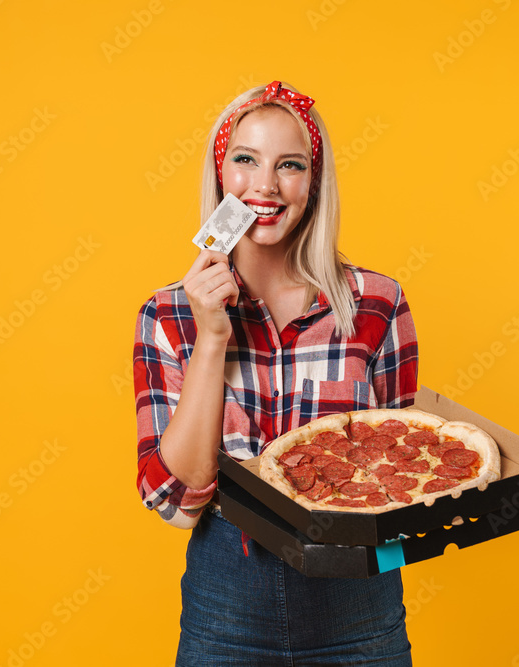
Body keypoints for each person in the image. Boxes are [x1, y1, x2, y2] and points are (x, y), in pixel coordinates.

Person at [134, 81, 419, 665]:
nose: (264, 185)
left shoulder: (377, 304)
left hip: (361, 611)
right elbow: (176, 503)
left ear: (313, 185)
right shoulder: (166, 315)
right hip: (226, 613)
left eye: (289, 165)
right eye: (245, 160)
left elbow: (399, 467)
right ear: (221, 176)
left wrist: (383, 570)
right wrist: (213, 337)